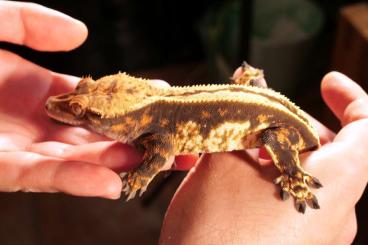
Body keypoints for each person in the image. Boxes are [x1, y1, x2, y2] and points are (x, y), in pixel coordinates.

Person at [0, 1, 366, 244]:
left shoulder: (154, 128)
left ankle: (294, 176)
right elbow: (161, 151)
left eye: (79, 109)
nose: (59, 105)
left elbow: (160, 155)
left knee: (272, 136)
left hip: (281, 130)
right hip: (261, 105)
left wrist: (141, 175)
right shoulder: (154, 118)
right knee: (249, 82)